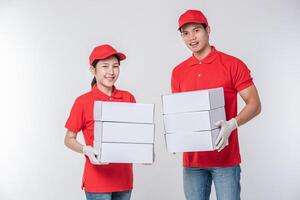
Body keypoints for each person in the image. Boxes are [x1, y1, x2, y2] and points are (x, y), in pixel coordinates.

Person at [171, 10, 262, 200]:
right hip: (192, 163)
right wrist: (174, 136)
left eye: (196, 30)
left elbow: (254, 104)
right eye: (185, 33)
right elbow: (179, 114)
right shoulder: (178, 72)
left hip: (226, 160)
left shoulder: (232, 64)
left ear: (208, 30)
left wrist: (232, 124)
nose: (191, 38)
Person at [64, 44, 135, 200]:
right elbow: (68, 139)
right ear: (92, 70)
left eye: (115, 66)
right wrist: (85, 150)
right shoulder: (83, 101)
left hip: (124, 179)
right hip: (97, 182)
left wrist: (144, 150)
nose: (111, 72)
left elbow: (134, 134)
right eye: (105, 66)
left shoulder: (128, 98)